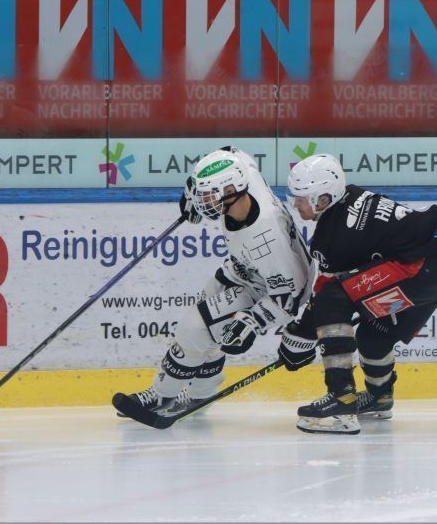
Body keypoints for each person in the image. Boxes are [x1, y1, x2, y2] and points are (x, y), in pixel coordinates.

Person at [114, 146, 314, 419]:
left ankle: (163, 395)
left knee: (194, 328)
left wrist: (253, 322)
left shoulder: (266, 236)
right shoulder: (245, 177)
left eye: (207, 195)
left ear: (230, 192)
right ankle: (200, 395)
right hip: (243, 271)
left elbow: (291, 295)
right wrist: (189, 191)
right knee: (207, 329)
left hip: (267, 291)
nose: (202, 201)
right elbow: (231, 151)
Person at [279, 154, 437, 435]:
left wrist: (301, 335)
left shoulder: (332, 237)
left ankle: (342, 398)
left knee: (331, 299)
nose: (295, 204)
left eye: (302, 198)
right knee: (375, 333)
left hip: (417, 270)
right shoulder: (351, 194)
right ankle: (380, 396)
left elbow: (326, 296)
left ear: (323, 199)